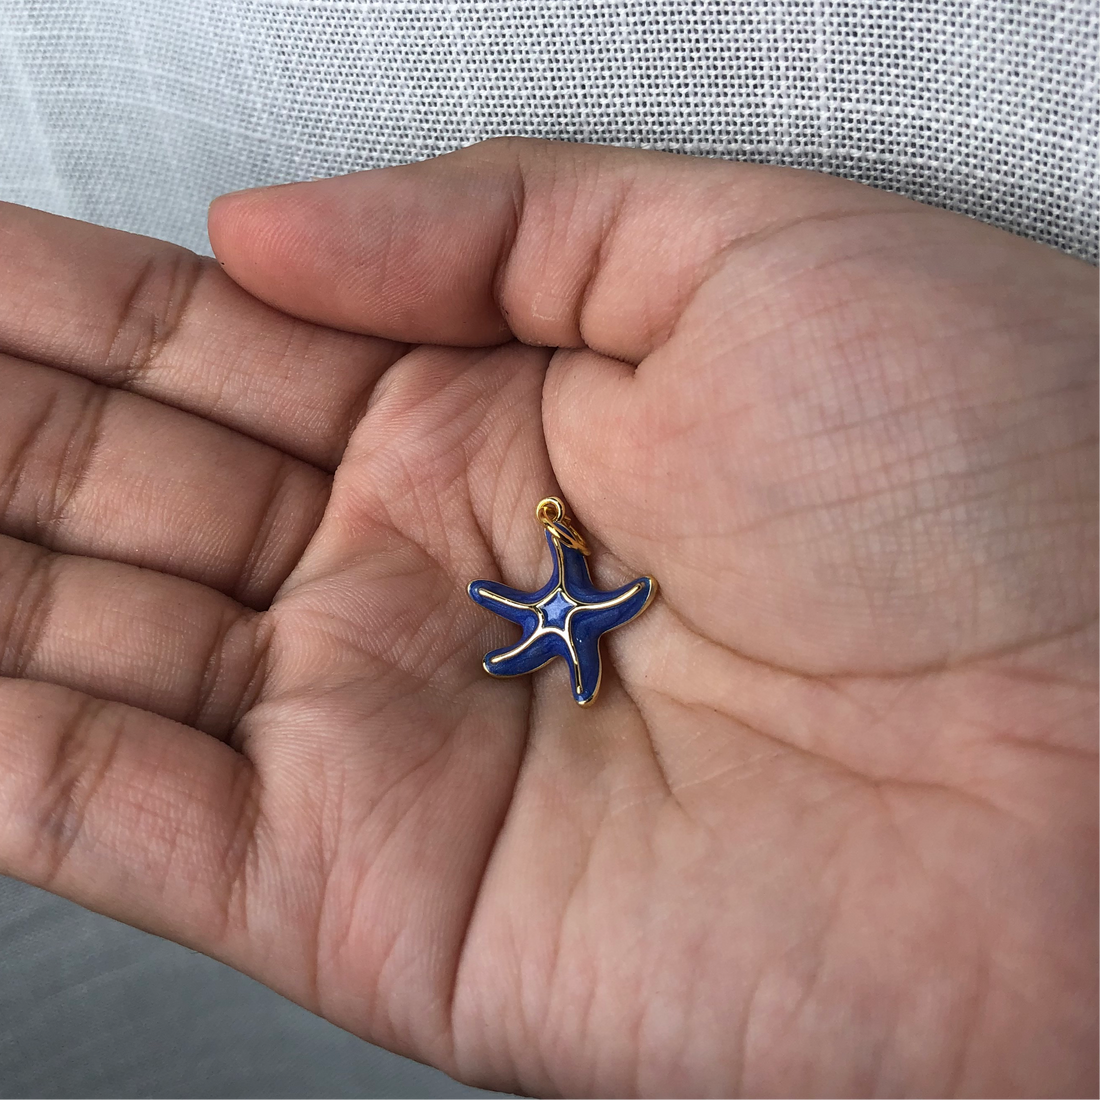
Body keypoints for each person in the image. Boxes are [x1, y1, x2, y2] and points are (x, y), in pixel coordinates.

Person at [0, 133, 1098, 1099]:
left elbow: (582, 604)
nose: (566, 615)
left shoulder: (582, 608)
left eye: (565, 608)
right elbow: (549, 605)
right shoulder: (556, 610)